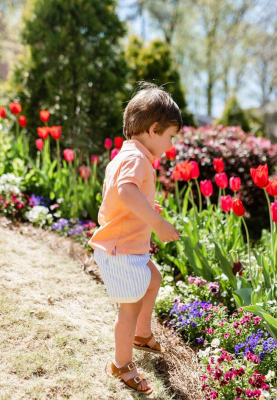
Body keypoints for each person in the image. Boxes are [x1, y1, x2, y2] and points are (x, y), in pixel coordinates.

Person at [88, 82, 182, 395]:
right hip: (120, 250)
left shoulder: (130, 155)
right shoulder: (136, 160)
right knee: (128, 308)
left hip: (127, 247)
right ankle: (121, 363)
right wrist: (157, 222)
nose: (171, 145)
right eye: (170, 137)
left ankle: (142, 334)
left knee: (151, 279)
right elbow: (126, 191)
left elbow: (128, 194)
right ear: (154, 129)